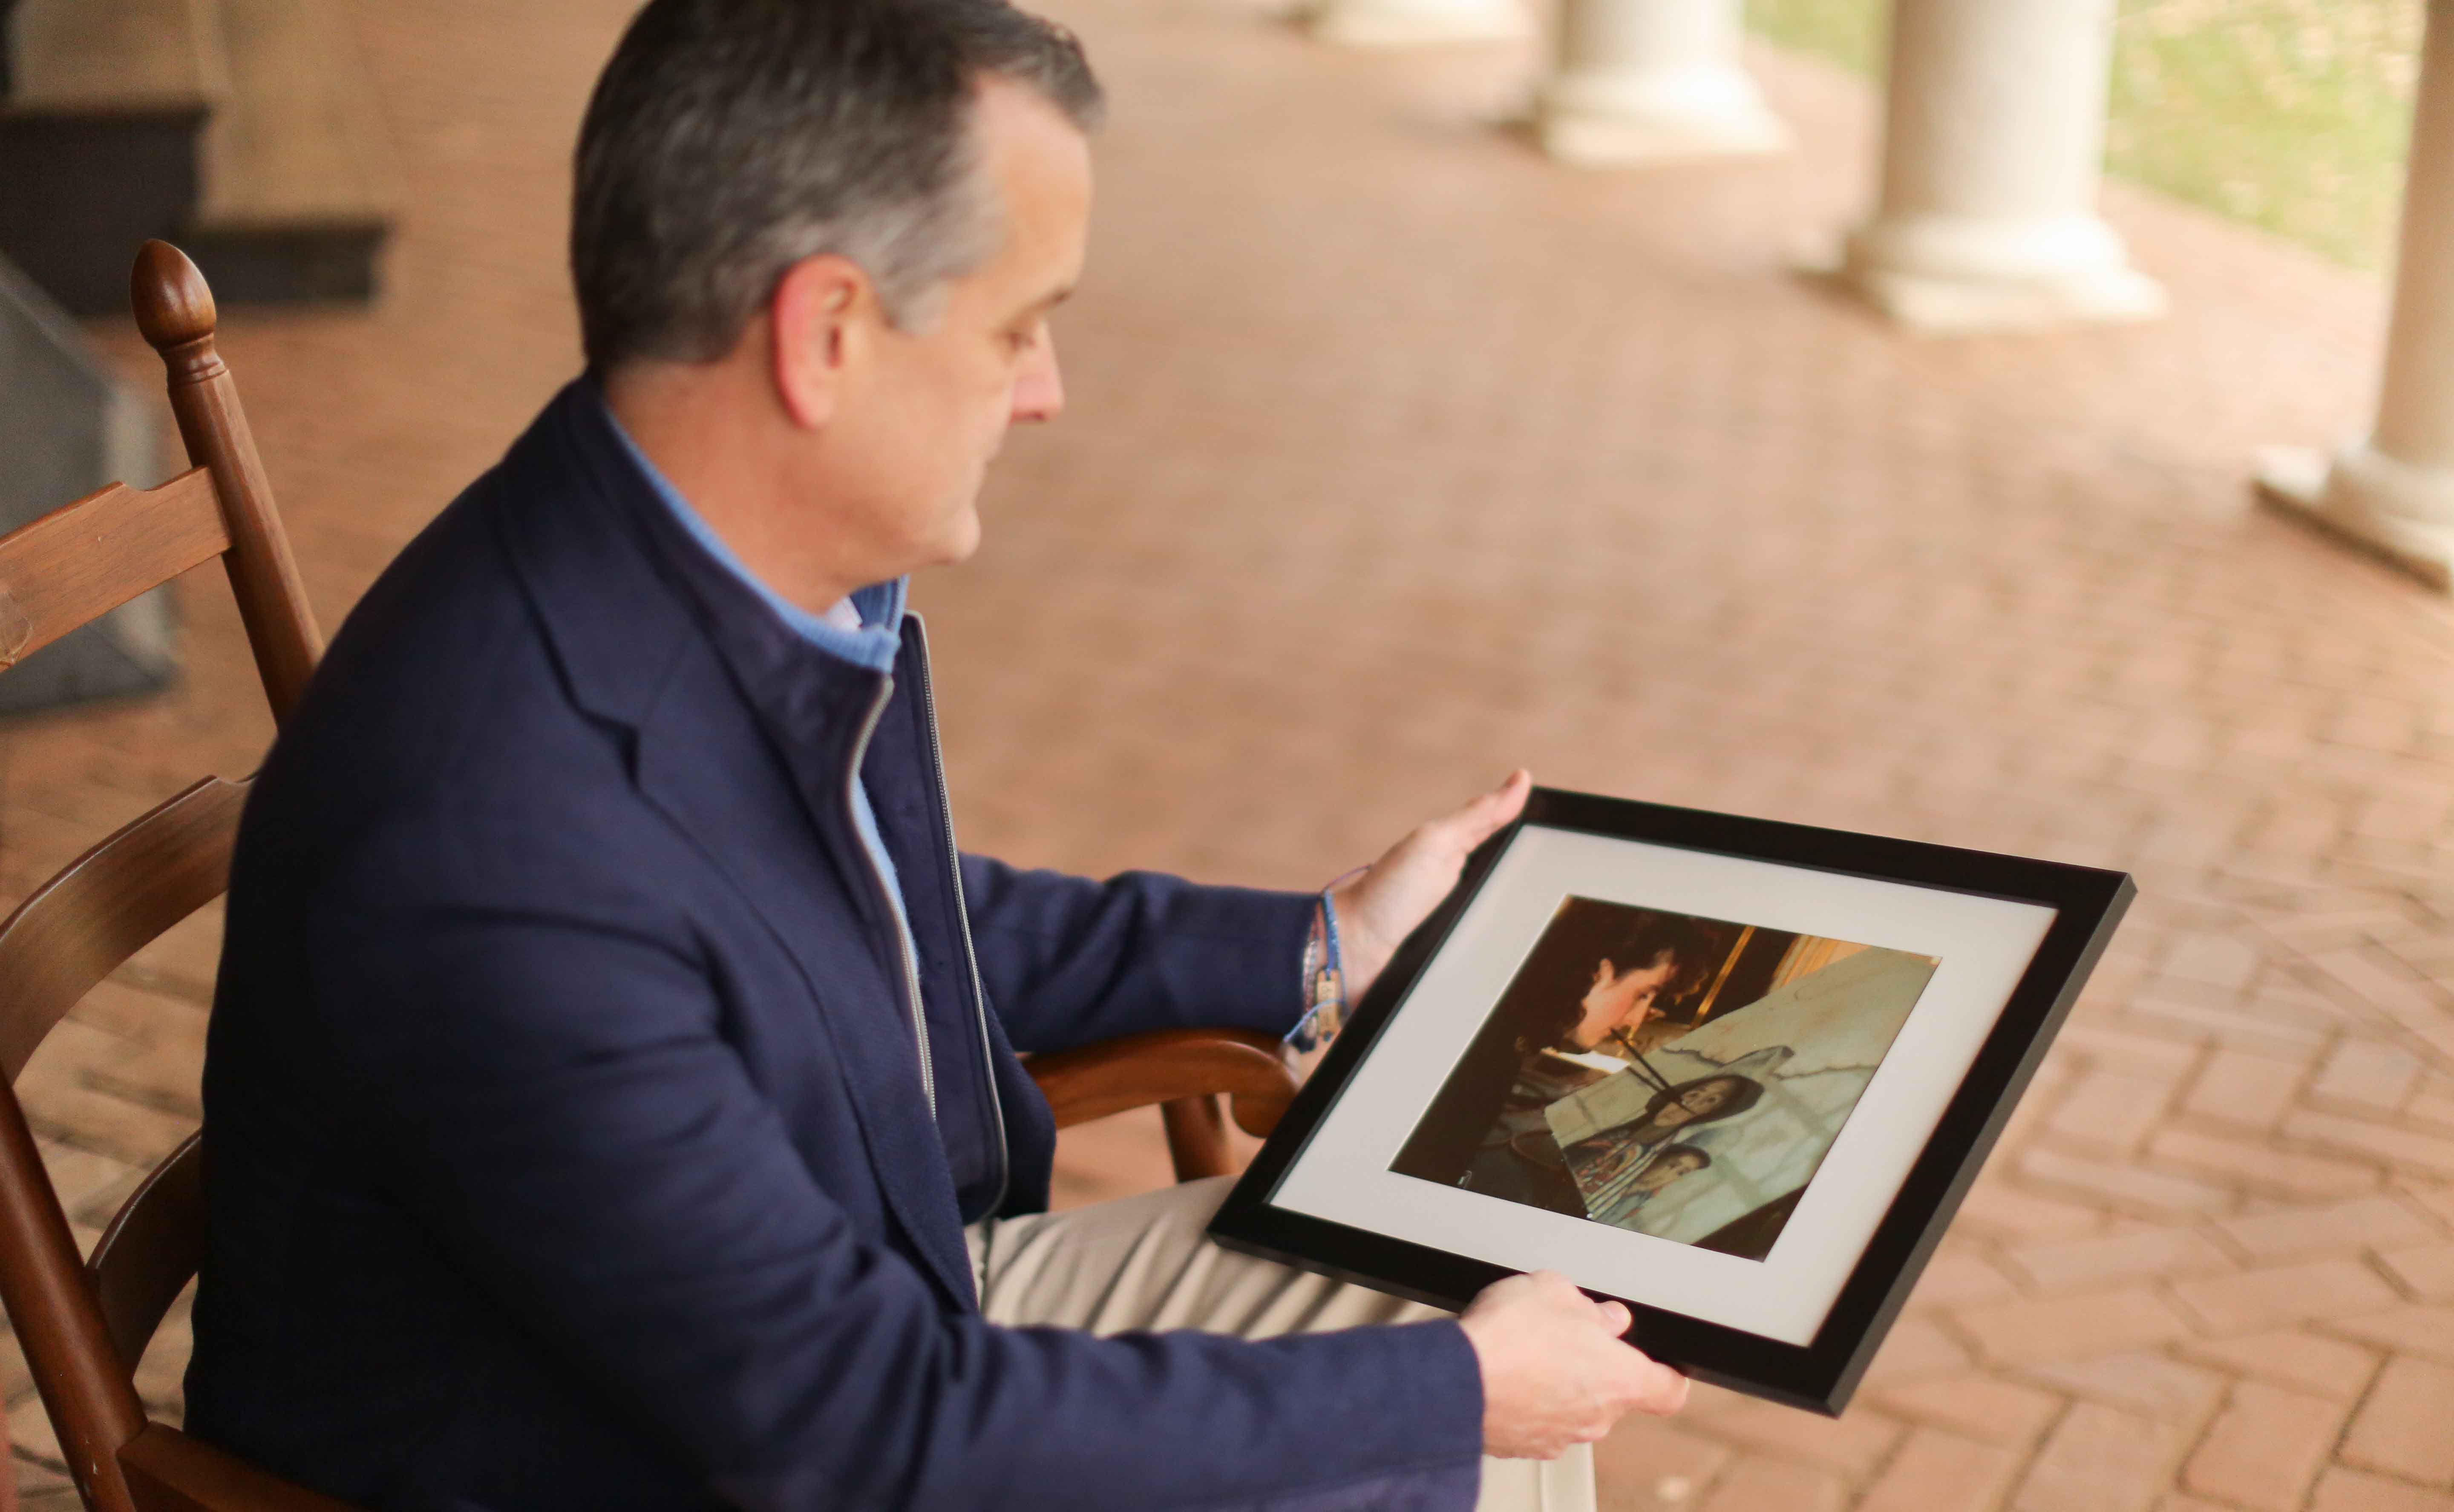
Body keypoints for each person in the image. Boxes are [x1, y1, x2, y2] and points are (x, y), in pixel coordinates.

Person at [181, 2, 1689, 1509]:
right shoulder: (496, 846)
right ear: (826, 332)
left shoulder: (708, 576)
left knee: (1463, 1301)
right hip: (636, 1451)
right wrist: (1460, 1394)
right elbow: (857, 1427)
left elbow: (863, 919)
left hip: (835, 1317)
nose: (1045, 392)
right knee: (1443, 1413)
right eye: (1018, 326)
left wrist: (1322, 945)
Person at [1391, 904, 1720, 1210]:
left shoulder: (1507, 1036)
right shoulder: (1480, 1049)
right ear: (1601, 973)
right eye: (1643, 994)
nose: (1636, 1019)